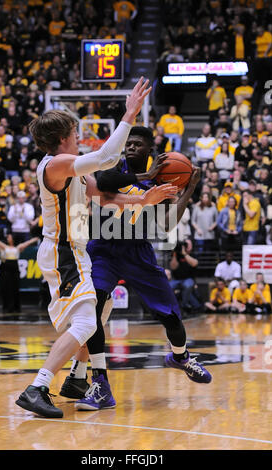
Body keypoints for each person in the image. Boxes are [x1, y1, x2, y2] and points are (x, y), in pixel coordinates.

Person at [15, 77, 177, 418]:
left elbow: (101, 196)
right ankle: (37, 387)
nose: (79, 137)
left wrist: (144, 199)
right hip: (62, 251)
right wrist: (129, 114)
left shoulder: (70, 168)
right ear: (62, 139)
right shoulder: (55, 164)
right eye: (75, 133)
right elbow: (106, 157)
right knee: (88, 322)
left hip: (74, 251)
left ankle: (73, 378)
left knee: (98, 315)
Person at [60, 126, 212, 412]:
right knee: (92, 312)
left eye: (137, 144)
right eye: (128, 143)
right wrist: (146, 176)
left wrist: (189, 188)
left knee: (171, 316)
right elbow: (103, 181)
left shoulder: (163, 180)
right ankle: (100, 383)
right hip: (103, 247)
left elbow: (166, 225)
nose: (130, 147)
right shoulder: (115, 166)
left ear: (149, 150)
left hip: (137, 250)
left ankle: (180, 356)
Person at [0, 230, 39, 313]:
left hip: (15, 269)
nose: (8, 238)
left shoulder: (17, 248)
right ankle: (7, 307)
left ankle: (16, 307)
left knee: (15, 288)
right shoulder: (3, 247)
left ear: (13, 239)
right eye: (7, 237)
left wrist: (36, 238)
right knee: (6, 288)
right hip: (5, 269)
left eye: (9, 237)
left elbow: (27, 243)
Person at [168, 239, 201, 312]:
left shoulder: (193, 254)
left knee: (187, 285)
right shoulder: (176, 255)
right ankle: (170, 306)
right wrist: (174, 254)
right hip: (176, 279)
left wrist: (184, 253)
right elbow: (173, 267)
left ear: (191, 246)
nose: (186, 246)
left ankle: (184, 305)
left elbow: (194, 264)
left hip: (188, 279)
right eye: (185, 245)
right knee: (168, 286)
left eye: (187, 244)